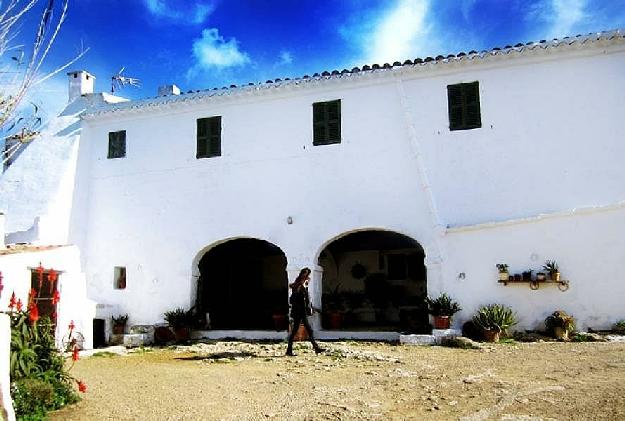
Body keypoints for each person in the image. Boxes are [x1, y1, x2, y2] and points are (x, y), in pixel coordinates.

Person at [285, 267, 325, 356]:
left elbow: (306, 299)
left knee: (306, 330)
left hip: (301, 311)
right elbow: (296, 299)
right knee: (298, 330)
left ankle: (316, 348)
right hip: (299, 312)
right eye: (307, 275)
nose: (308, 277)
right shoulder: (299, 286)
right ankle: (290, 350)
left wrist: (309, 307)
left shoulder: (301, 285)